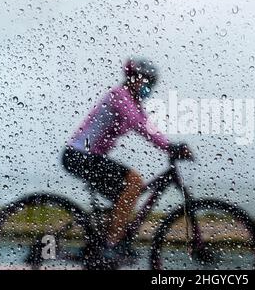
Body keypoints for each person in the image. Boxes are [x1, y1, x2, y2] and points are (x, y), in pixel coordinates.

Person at [61, 57, 191, 256]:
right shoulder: (119, 96)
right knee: (134, 183)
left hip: (88, 156)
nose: (146, 88)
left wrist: (170, 146)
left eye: (150, 85)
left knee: (126, 197)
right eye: (144, 82)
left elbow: (149, 127)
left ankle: (98, 245)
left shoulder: (133, 103)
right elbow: (139, 125)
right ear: (132, 79)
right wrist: (170, 148)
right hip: (80, 155)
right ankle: (111, 246)